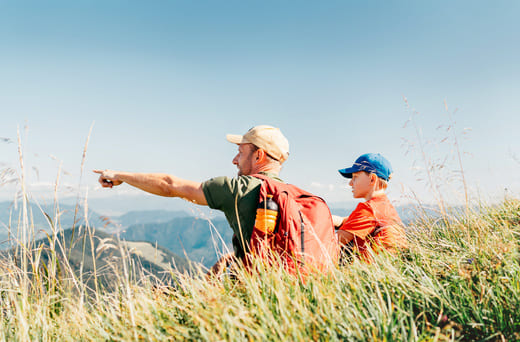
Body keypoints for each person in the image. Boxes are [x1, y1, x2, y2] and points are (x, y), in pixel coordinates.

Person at [94, 125, 290, 274]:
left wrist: (120, 176)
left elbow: (169, 185)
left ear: (259, 156)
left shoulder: (240, 190)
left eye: (240, 153)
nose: (234, 160)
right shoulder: (294, 197)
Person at [334, 153, 406, 262]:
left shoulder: (368, 208)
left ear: (372, 179)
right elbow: (346, 221)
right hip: (390, 269)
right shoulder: (383, 206)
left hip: (370, 273)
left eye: (355, 177)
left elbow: (332, 242)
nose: (350, 183)